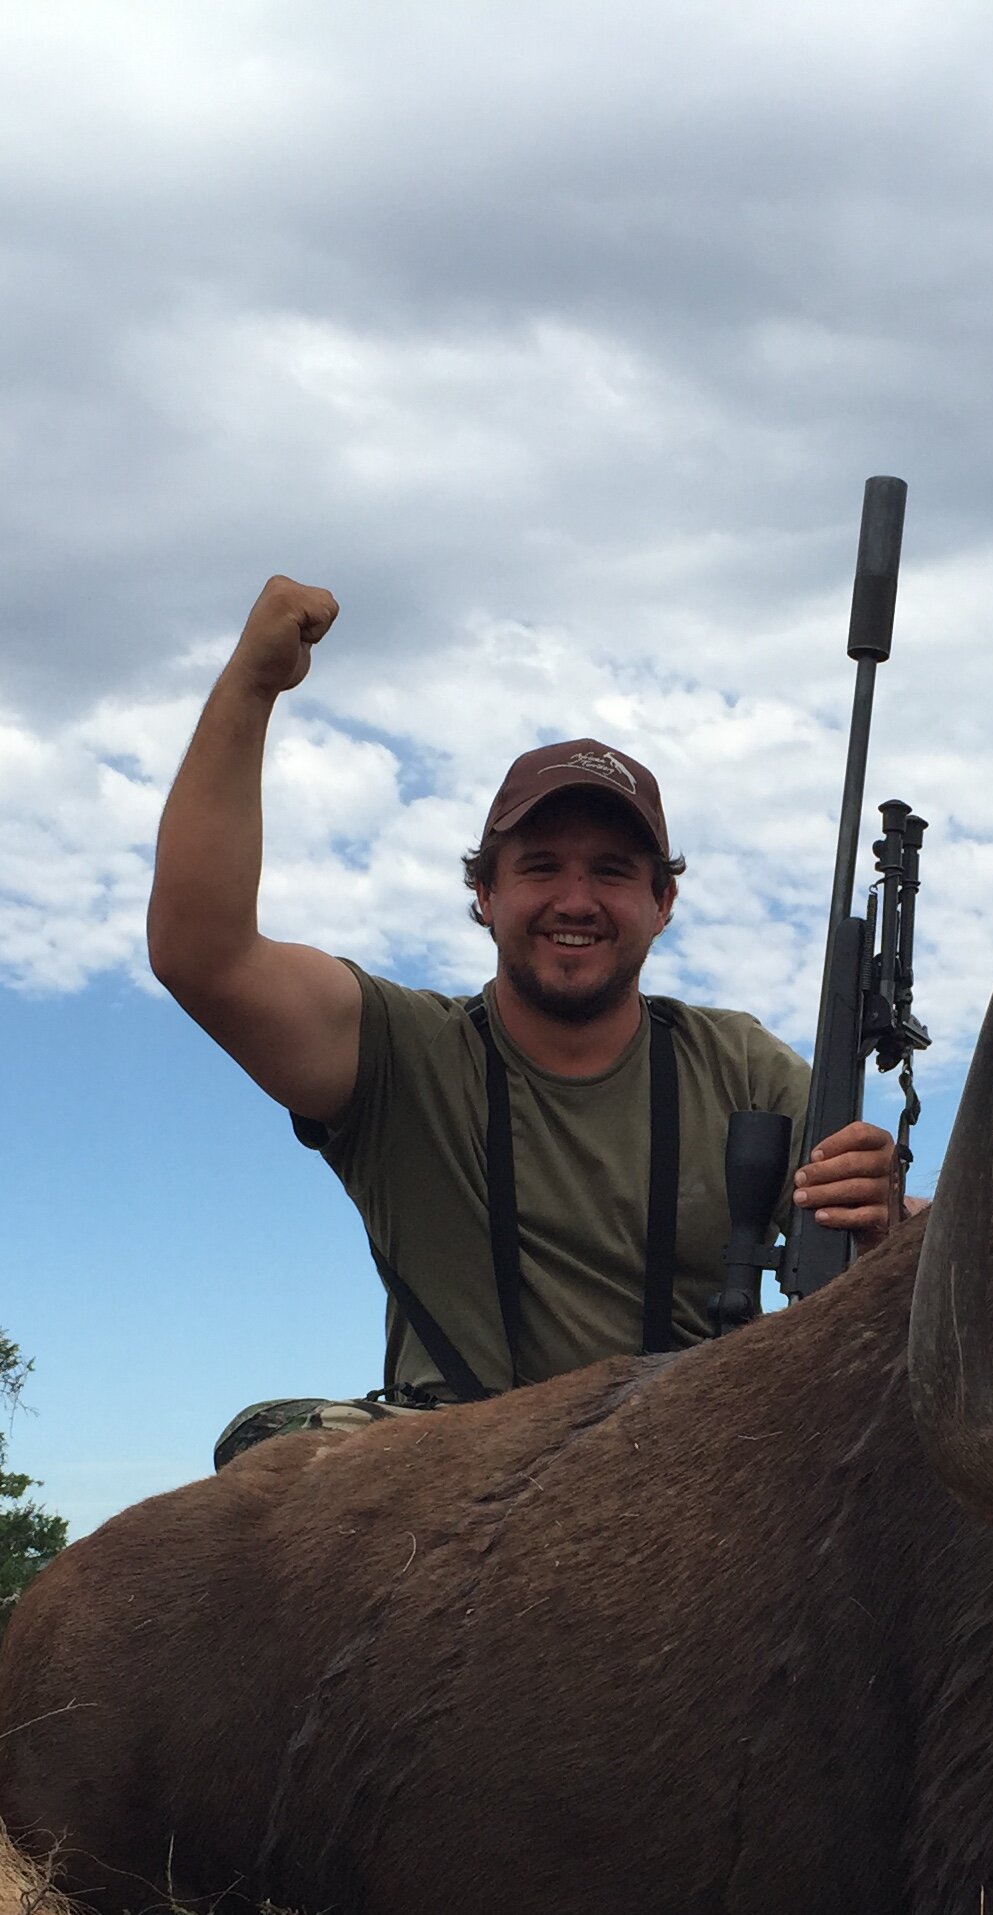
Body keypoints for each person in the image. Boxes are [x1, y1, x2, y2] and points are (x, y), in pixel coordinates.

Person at [149, 576, 905, 1461]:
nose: (576, 901)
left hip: (688, 1470)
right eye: (541, 866)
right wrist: (251, 684)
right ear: (485, 892)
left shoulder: (738, 1063)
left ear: (664, 900)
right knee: (269, 1450)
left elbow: (869, 1227)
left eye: (614, 872)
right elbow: (203, 954)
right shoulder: (400, 1052)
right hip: (449, 1478)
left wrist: (886, 1217)